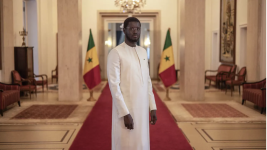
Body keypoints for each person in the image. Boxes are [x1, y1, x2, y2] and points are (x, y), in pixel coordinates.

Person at [107, 17, 157, 150]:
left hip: (142, 109)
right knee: (125, 143)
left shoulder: (142, 51)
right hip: (126, 109)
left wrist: (152, 106)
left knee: (142, 143)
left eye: (138, 29)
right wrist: (124, 113)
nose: (135, 31)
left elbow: (147, 81)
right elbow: (114, 86)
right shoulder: (116, 53)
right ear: (124, 30)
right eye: (132, 28)